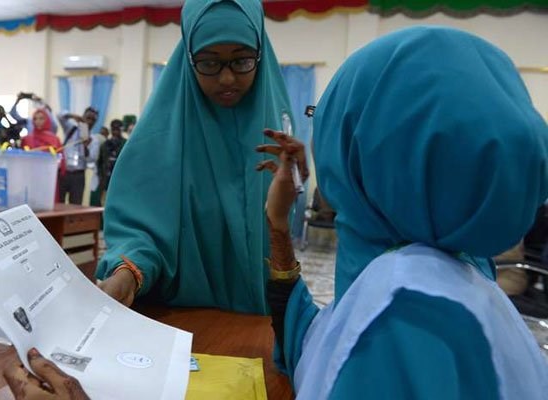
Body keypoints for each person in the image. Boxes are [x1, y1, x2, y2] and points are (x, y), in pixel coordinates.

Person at [259, 27, 548, 399]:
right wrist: (279, 224)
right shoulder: (454, 273)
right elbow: (319, 349)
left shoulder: (401, 318)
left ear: (371, 151)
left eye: (327, 118)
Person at [96, 0, 292, 314]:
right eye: (209, 62)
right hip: (175, 321)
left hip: (261, 320)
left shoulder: (276, 139)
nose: (227, 79)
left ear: (260, 56)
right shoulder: (155, 144)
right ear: (188, 60)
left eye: (241, 61)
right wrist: (127, 274)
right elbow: (138, 232)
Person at [57, 107, 98, 204]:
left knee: (75, 205)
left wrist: (86, 146)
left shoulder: (94, 139)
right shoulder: (71, 129)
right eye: (88, 118)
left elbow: (92, 160)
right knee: (58, 203)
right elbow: (59, 116)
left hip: (78, 176)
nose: (90, 121)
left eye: (93, 120)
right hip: (63, 173)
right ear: (83, 117)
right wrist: (73, 116)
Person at [96, 119, 126, 198]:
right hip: (106, 181)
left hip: (121, 181)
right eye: (113, 129)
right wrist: (101, 177)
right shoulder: (105, 144)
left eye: (117, 129)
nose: (115, 132)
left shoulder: (126, 144)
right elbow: (99, 163)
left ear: (121, 130)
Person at [88, 126, 109, 207]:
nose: (101, 136)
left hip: (104, 179)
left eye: (103, 134)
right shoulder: (95, 140)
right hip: (96, 178)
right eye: (100, 133)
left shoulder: (107, 145)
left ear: (107, 135)